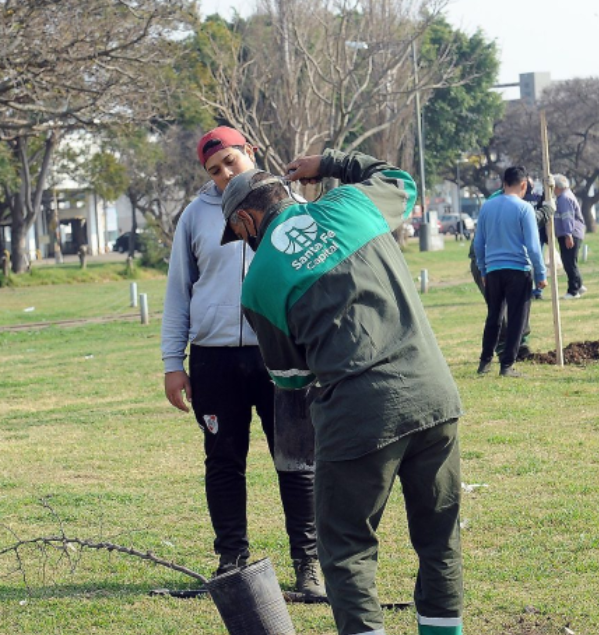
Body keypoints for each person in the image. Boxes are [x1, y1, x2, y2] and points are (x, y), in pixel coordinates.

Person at [220, 150, 464, 635]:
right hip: (435, 397)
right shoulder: (353, 204)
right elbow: (398, 180)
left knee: (348, 550)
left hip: (358, 415)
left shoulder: (258, 282)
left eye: (238, 234)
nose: (242, 243)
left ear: (247, 219)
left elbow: (290, 376)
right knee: (439, 540)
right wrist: (331, 163)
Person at [160, 126, 323, 595]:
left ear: (249, 152)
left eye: (231, 161)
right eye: (213, 170)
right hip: (214, 361)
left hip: (281, 355)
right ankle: (231, 562)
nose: (224, 174)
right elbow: (178, 293)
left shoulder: (290, 204)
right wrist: (174, 362)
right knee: (223, 461)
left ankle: (308, 568)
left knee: (297, 461)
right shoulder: (195, 216)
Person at [473, 166, 547, 378]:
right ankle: (507, 365)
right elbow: (533, 246)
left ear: (503, 183)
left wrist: (484, 269)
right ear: (523, 185)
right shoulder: (524, 209)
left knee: (494, 317)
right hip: (518, 270)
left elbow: (479, 243)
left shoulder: (486, 207)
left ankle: (485, 362)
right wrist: (541, 274)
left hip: (494, 271)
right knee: (516, 319)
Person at [553, 174, 586, 299]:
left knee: (569, 262)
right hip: (572, 233)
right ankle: (579, 284)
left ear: (557, 187)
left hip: (570, 233)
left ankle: (573, 290)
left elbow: (568, 218)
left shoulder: (564, 198)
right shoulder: (566, 196)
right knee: (571, 261)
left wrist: (568, 235)